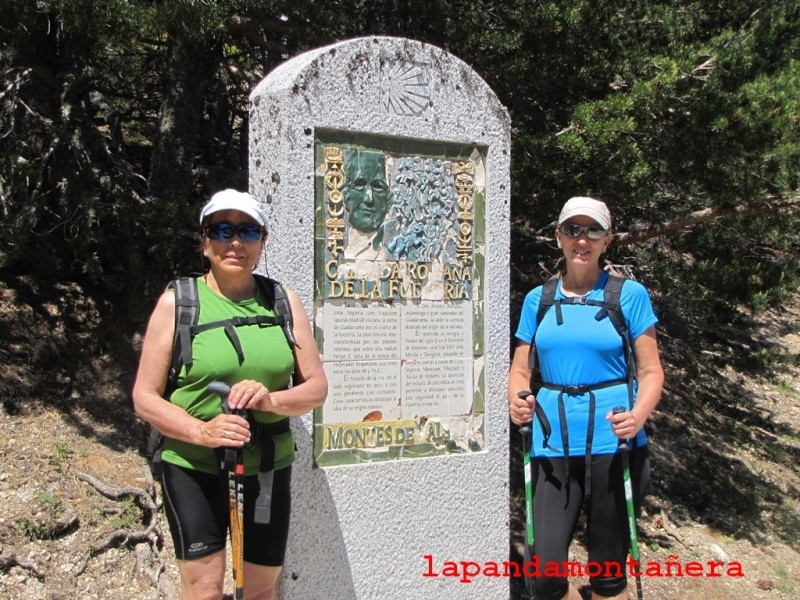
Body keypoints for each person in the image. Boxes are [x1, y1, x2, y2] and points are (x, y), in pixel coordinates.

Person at [132, 189, 328, 600]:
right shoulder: (178, 303)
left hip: (267, 467)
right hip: (191, 464)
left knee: (258, 589)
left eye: (247, 231)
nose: (234, 242)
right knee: (204, 589)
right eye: (221, 230)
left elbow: (316, 387)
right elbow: (145, 397)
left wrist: (270, 400)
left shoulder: (282, 301)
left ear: (262, 241)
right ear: (204, 243)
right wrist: (203, 432)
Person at [507, 197, 664, 600]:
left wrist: (639, 415)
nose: (582, 239)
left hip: (616, 444)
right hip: (552, 444)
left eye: (592, 231)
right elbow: (522, 369)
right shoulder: (537, 300)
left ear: (606, 241)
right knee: (544, 572)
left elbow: (650, 372)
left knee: (608, 575)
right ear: (558, 237)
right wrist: (516, 399)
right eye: (573, 230)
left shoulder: (628, 296)